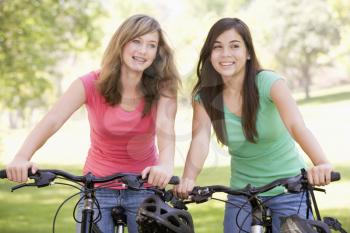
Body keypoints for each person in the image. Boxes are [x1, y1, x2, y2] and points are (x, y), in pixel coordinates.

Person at [5, 14, 180, 233]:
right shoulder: (90, 83)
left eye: (151, 45)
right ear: (121, 43)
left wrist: (165, 166)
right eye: (136, 41)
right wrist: (22, 157)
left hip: (143, 187)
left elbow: (166, 128)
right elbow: (52, 120)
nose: (143, 51)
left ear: (157, 53)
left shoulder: (163, 89)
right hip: (97, 189)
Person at [174, 17, 333, 232]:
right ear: (209, 54)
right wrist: (188, 179)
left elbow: (297, 126)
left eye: (235, 46)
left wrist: (321, 162)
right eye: (217, 47)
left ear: (248, 53)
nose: (226, 54)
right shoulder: (205, 96)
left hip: (288, 189)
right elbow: (200, 139)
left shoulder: (269, 83)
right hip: (242, 193)